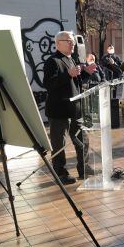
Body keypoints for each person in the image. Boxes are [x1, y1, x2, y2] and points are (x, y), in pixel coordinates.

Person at [43, 31, 96, 184]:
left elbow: (75, 83)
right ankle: (61, 173)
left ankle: (84, 167)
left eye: (72, 41)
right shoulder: (52, 61)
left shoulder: (71, 59)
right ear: (58, 43)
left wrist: (86, 74)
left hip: (75, 109)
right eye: (69, 40)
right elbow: (48, 84)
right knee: (58, 144)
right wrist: (68, 74)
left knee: (82, 140)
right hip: (59, 110)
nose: (72, 43)